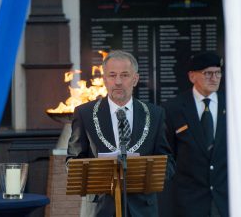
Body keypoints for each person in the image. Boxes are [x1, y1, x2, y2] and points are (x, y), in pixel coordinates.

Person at [67, 50, 175, 217]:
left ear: (135, 79)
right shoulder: (84, 114)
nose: (118, 81)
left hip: (143, 208)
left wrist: (150, 172)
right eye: (112, 75)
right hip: (100, 209)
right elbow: (73, 161)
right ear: (104, 80)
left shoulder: (155, 114)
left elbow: (168, 162)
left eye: (124, 75)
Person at [163, 52, 228, 217]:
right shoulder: (173, 108)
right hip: (188, 202)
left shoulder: (233, 105)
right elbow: (168, 156)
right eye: (207, 73)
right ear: (192, 76)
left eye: (218, 72)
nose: (214, 78)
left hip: (225, 199)